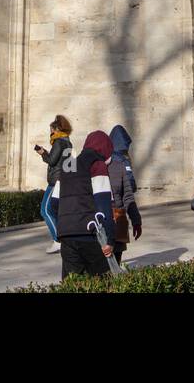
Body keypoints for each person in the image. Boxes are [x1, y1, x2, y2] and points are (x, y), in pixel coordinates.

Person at [50, 129, 116, 279]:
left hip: (66, 236)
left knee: (72, 285)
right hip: (90, 235)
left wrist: (66, 223)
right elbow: (104, 206)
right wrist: (110, 240)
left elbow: (53, 205)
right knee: (102, 282)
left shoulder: (68, 165)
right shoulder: (97, 165)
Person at [34, 114, 72, 253]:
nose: (50, 133)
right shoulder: (68, 142)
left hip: (55, 182)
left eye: (51, 130)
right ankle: (64, 239)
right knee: (57, 211)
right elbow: (69, 164)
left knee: (45, 210)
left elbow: (51, 161)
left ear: (56, 129)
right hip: (64, 180)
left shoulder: (59, 142)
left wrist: (43, 153)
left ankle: (58, 240)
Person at [108, 125, 142, 265]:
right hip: (118, 214)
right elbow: (129, 189)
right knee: (116, 255)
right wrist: (136, 221)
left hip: (102, 216)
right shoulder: (123, 160)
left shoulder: (104, 158)